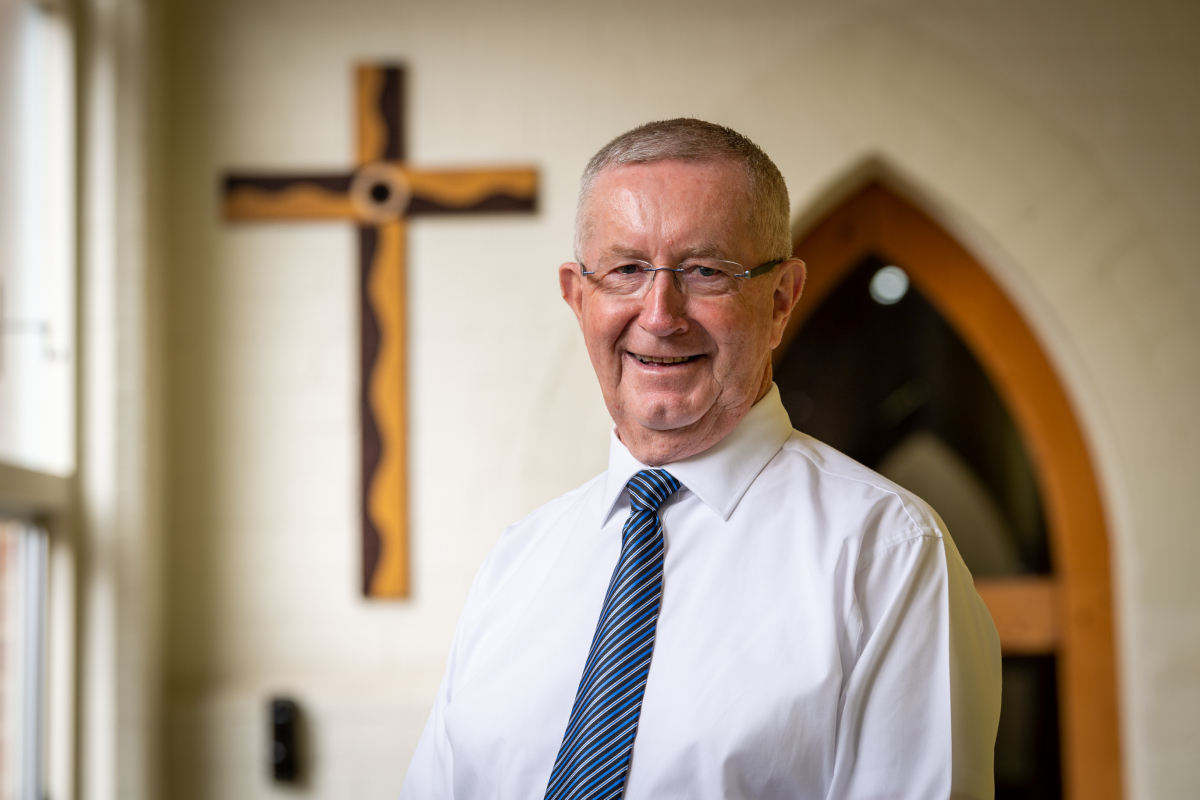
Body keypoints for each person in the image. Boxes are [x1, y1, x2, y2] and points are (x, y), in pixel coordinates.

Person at [400, 119, 1001, 800]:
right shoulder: (515, 567)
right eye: (626, 269)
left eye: (705, 271)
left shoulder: (886, 556)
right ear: (578, 295)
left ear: (780, 300)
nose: (660, 314)